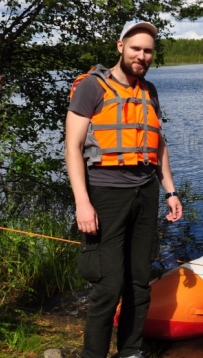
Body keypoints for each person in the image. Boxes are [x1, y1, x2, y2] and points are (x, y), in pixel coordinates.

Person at [65, 20, 183, 358]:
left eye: (148, 50)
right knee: (108, 286)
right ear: (121, 47)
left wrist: (171, 191)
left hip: (145, 194)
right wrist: (82, 203)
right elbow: (72, 147)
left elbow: (158, 144)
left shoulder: (150, 91)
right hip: (105, 194)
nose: (141, 55)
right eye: (136, 48)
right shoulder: (92, 86)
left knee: (139, 282)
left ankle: (131, 351)